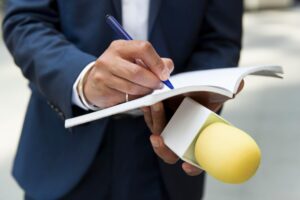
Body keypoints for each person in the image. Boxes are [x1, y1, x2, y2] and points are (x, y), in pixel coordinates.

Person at [2, 0, 243, 199]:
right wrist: (82, 78)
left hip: (166, 155)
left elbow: (220, 40)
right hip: (64, 151)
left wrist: (193, 106)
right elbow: (25, 21)